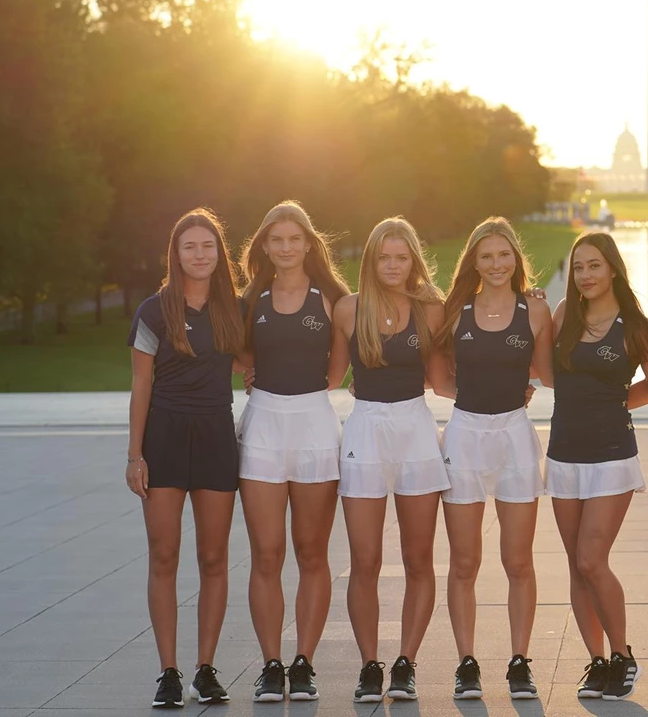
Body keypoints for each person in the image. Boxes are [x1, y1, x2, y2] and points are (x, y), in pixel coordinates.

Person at [126, 208, 244, 709]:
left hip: (217, 436)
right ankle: (169, 672)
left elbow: (254, 361)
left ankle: (205, 670)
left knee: (214, 558)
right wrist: (134, 454)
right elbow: (140, 383)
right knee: (165, 555)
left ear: (220, 254)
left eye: (208, 246)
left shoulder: (235, 308)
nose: (200, 254)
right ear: (175, 254)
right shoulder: (155, 310)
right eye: (189, 247)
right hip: (165, 438)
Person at [328, 217, 450, 704]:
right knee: (366, 560)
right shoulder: (347, 309)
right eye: (385, 257)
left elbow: (443, 380)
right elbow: (332, 375)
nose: (394, 265)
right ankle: (369, 666)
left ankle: (406, 664)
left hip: (416, 430)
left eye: (402, 257)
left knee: (420, 558)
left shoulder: (431, 311)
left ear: (414, 260)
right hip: (365, 430)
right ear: (371, 261)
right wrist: (257, 371)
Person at [432, 217, 553, 700]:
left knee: (518, 561)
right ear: (474, 262)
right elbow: (440, 382)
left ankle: (520, 662)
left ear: (516, 260)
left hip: (515, 438)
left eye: (505, 255)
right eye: (487, 256)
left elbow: (546, 373)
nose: (497, 264)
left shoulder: (536, 311)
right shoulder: (454, 310)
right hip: (464, 435)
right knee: (464, 562)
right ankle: (466, 663)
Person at [234, 201, 350, 702]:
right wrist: (251, 371)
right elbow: (234, 348)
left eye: (293, 239)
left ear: (309, 243)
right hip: (261, 425)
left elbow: (336, 372)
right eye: (275, 240)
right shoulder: (248, 299)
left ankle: (303, 663)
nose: (284, 248)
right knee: (266, 554)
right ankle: (271, 665)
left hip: (314, 426)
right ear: (264, 246)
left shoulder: (332, 298)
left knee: (310, 552)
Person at [546, 232, 648, 702]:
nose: (586, 275)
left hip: (612, 453)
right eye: (578, 268)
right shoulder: (563, 316)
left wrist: (617, 403)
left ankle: (622, 655)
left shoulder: (636, 325)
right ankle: (596, 661)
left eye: (594, 265)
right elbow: (546, 372)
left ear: (612, 267)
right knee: (577, 566)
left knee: (593, 559)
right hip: (564, 451)